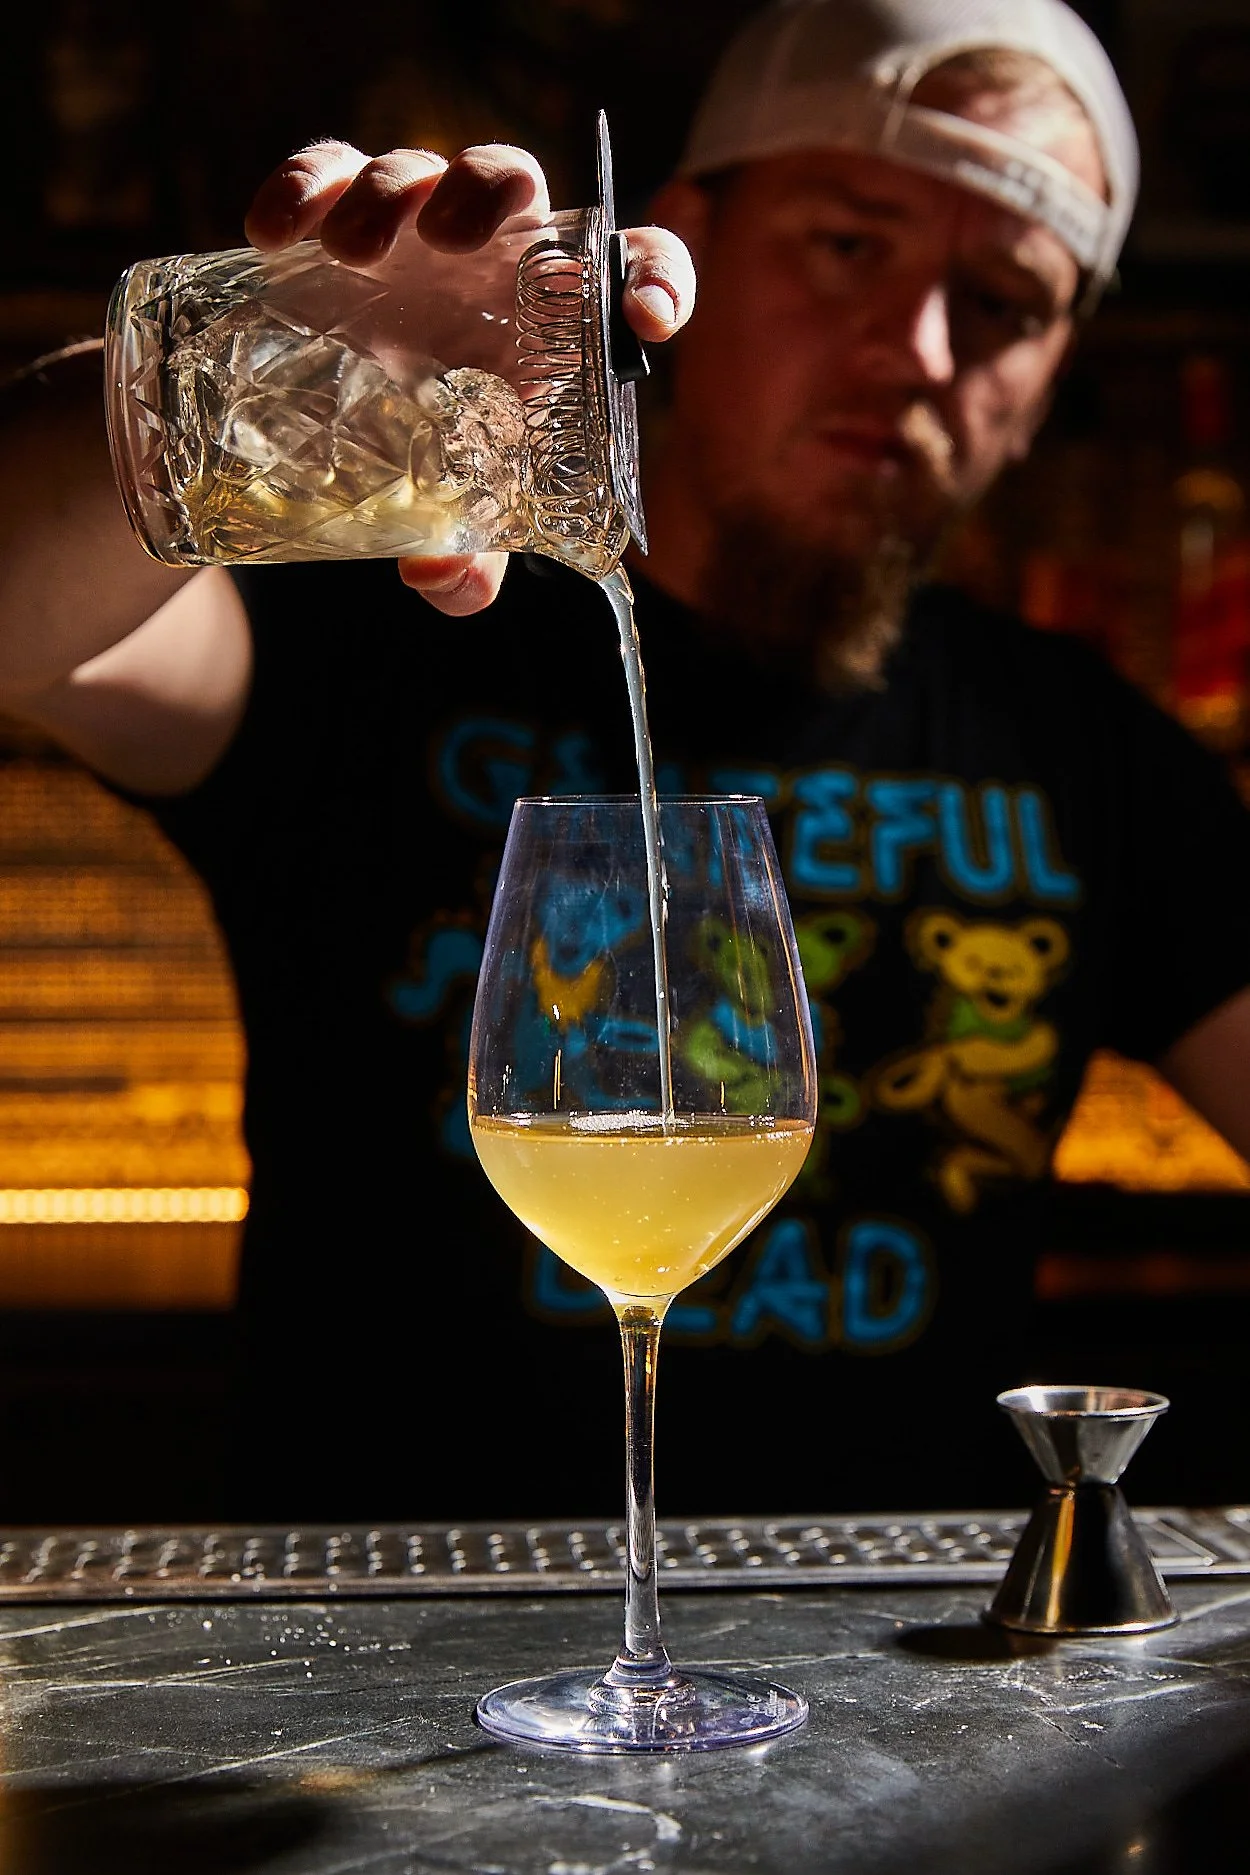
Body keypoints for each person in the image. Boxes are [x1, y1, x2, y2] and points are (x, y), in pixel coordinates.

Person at [3, 0, 1249, 1522]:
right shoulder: (389, 624)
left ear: (1051, 380)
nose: (914, 348)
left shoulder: (1078, 748)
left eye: (1002, 301)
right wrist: (271, 358)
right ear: (679, 243)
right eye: (847, 245)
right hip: (361, 1690)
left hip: (888, 1687)